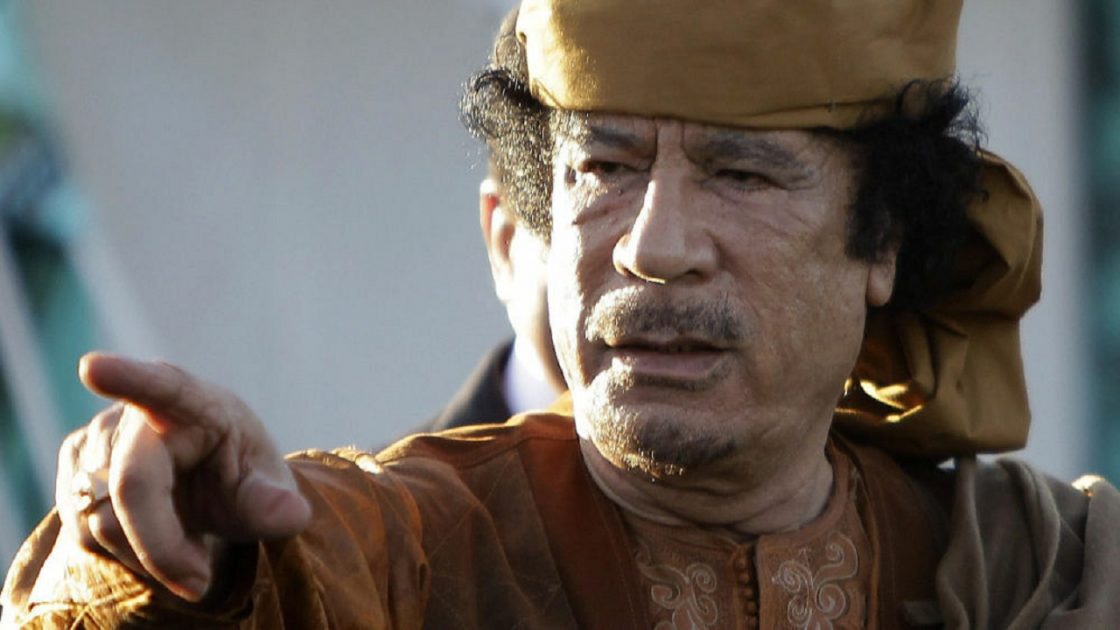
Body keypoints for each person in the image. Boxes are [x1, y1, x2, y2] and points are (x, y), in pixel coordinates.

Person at [4, 1, 1120, 628]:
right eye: (604, 168)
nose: (653, 246)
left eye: (741, 174)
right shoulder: (402, 551)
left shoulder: (1037, 566)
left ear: (881, 244)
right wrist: (170, 553)